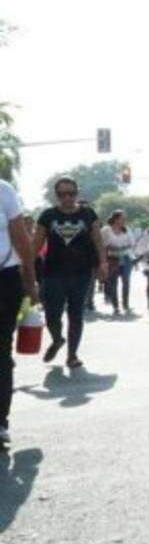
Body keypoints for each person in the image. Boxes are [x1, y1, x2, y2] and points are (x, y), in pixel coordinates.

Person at [34, 176, 107, 367]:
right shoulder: (48, 215)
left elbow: (98, 241)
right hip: (53, 273)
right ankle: (57, 339)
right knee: (52, 315)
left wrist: (103, 263)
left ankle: (72, 355)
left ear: (77, 193)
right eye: (62, 194)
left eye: (71, 193)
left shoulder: (88, 214)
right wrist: (26, 268)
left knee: (76, 314)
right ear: (56, 195)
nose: (67, 197)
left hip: (81, 273)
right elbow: (36, 245)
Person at [1, 178, 40, 445]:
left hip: (4, 280)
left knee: (1, 350)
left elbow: (21, 239)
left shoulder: (3, 190)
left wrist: (30, 281)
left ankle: (0, 421)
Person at [100, 209, 136, 315]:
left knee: (126, 281)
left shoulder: (127, 229)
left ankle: (126, 304)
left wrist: (123, 247)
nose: (124, 220)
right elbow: (102, 245)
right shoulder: (106, 230)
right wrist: (105, 256)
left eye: (125, 218)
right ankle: (115, 306)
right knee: (113, 282)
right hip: (112, 258)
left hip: (126, 257)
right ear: (116, 219)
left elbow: (132, 243)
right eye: (122, 218)